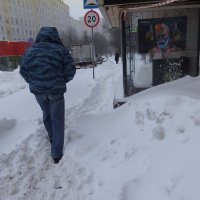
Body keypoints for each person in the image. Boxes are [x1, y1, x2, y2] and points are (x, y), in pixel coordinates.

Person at [20, 27, 76, 164]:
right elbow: (70, 71)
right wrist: (61, 80)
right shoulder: (61, 50)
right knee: (57, 119)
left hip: (38, 91)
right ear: (55, 36)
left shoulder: (30, 51)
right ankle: (56, 153)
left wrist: (33, 81)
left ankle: (52, 137)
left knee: (46, 113)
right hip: (55, 91)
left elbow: (23, 70)